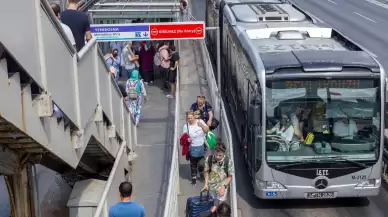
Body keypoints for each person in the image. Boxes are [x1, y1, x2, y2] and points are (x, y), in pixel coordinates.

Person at [183, 111, 209, 185]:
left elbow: (207, 130)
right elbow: (184, 137)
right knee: (193, 164)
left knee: (202, 163)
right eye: (188, 118)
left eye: (191, 118)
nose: (190, 119)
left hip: (201, 147)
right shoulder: (186, 126)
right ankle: (194, 177)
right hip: (192, 148)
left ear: (194, 117)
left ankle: (201, 173)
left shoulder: (200, 121)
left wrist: (201, 125)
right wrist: (187, 139)